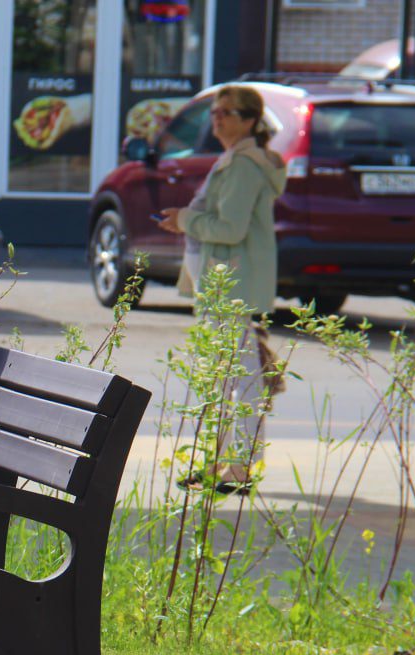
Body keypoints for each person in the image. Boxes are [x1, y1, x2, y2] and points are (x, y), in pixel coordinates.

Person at [155, 84, 286, 494]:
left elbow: (231, 228)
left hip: (233, 280)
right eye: (215, 112)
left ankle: (242, 468)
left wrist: (185, 220)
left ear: (249, 120)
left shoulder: (245, 165)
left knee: (241, 378)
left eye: (226, 112)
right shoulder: (233, 159)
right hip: (220, 281)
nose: (217, 119)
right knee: (221, 375)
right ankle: (218, 463)